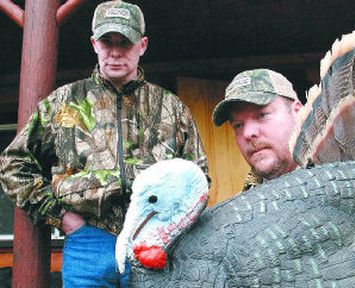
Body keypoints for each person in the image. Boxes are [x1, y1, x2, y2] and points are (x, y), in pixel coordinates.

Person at [0, 1, 208, 287]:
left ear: (142, 45)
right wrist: (61, 217)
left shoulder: (171, 108)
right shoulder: (65, 102)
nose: (115, 52)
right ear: (94, 44)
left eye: (125, 42)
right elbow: (13, 163)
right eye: (106, 41)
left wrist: (169, 232)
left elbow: (198, 178)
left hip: (154, 244)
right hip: (88, 243)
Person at [212, 68, 302, 185]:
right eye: (238, 125)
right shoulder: (242, 202)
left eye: (262, 115)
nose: (247, 133)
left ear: (298, 113)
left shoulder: (332, 181)